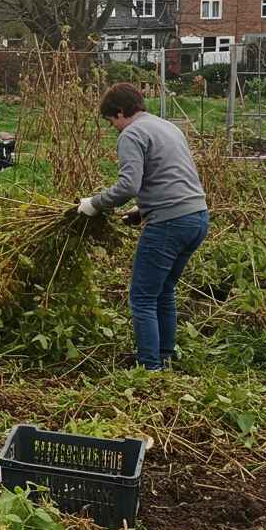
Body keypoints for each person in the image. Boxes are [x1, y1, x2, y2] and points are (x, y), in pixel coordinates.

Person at [78, 82, 208, 372]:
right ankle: (165, 355)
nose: (114, 128)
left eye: (112, 121)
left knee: (142, 296)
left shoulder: (132, 133)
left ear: (121, 113)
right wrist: (141, 210)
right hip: (197, 217)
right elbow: (171, 176)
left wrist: (94, 204)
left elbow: (128, 185)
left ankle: (149, 367)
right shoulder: (168, 127)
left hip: (170, 224)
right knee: (164, 290)